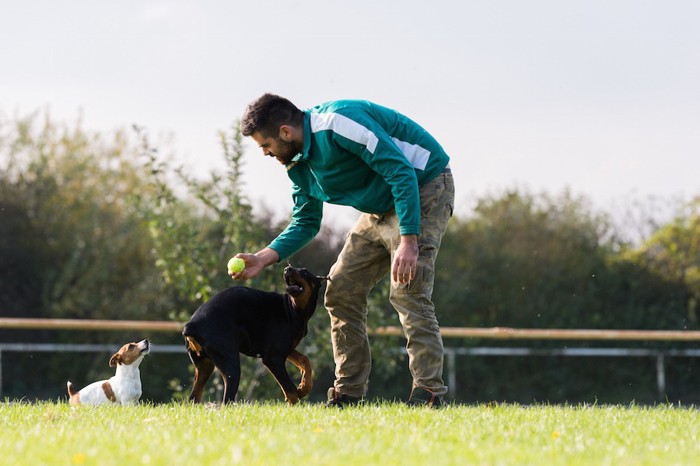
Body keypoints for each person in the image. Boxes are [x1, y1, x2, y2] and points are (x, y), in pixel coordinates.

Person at [234, 93, 454, 408]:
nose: (265, 154)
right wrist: (263, 256)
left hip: (424, 186)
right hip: (380, 207)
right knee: (340, 290)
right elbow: (306, 221)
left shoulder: (338, 124)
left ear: (285, 132)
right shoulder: (297, 163)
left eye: (264, 145)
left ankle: (429, 393)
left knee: (408, 290)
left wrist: (408, 239)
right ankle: (348, 393)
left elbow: (401, 171)